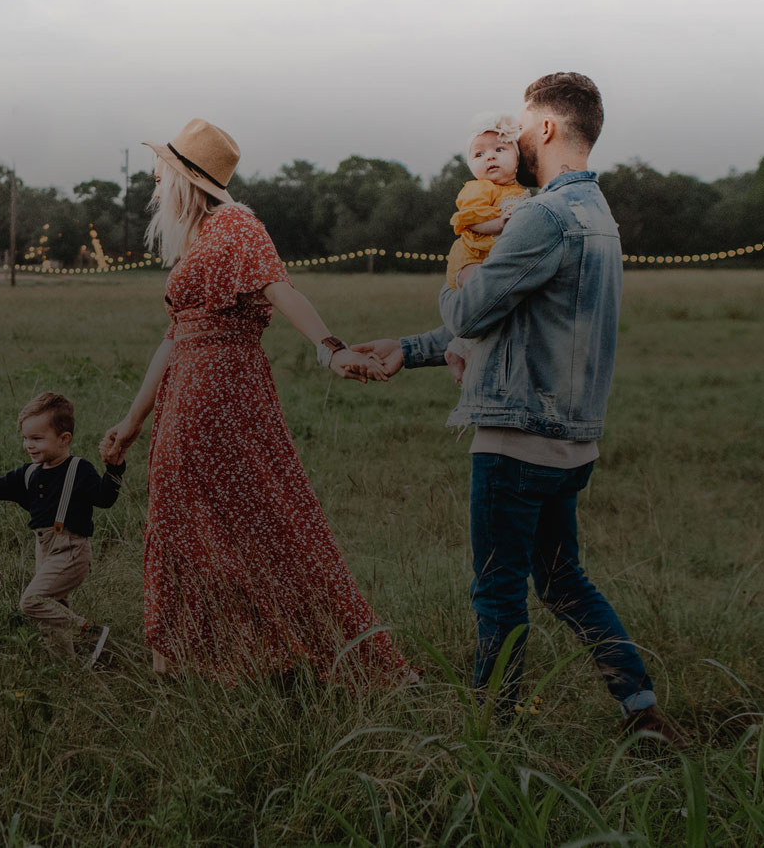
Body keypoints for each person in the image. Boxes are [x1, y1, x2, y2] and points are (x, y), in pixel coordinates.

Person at [355, 74, 680, 740]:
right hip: (572, 443)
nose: (517, 139)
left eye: (524, 126)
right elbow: (515, 324)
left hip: (515, 441)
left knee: (498, 594)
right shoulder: (599, 217)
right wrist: (410, 349)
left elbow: (474, 308)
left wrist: (460, 281)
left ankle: (491, 737)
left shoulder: (541, 215)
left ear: (550, 129)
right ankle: (640, 710)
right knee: (564, 583)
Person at [99, 118, 416, 685]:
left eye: (159, 173)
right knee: (183, 520)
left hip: (220, 392)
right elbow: (174, 337)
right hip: (187, 392)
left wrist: (330, 348)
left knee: (258, 520)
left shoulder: (235, 224)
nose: (152, 183)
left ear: (185, 178)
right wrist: (132, 420)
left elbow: (280, 288)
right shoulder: (200, 239)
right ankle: (190, 659)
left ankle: (280, 654)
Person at [0, 392, 122, 665]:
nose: (29, 445)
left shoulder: (79, 469)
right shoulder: (29, 473)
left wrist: (114, 469)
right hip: (45, 549)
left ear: (65, 439)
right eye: (26, 438)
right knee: (52, 613)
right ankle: (67, 669)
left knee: (32, 602)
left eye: (37, 438)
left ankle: (89, 632)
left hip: (72, 550)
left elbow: (105, 499)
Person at [444, 113, 530, 381]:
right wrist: (497, 224)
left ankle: (458, 348)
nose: (489, 157)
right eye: (479, 154)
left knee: (496, 305)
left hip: (491, 259)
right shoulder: (479, 188)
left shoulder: (520, 192)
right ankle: (464, 349)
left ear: (517, 159)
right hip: (470, 257)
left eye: (499, 150)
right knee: (479, 296)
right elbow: (470, 219)